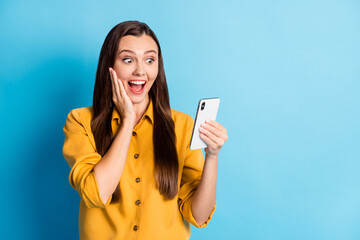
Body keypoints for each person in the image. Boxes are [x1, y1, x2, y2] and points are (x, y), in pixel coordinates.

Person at [62, 20, 228, 240]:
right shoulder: (80, 121)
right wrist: (127, 120)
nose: (140, 71)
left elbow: (198, 216)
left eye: (150, 60)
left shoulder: (182, 125)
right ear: (109, 66)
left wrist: (212, 156)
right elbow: (97, 193)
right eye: (128, 60)